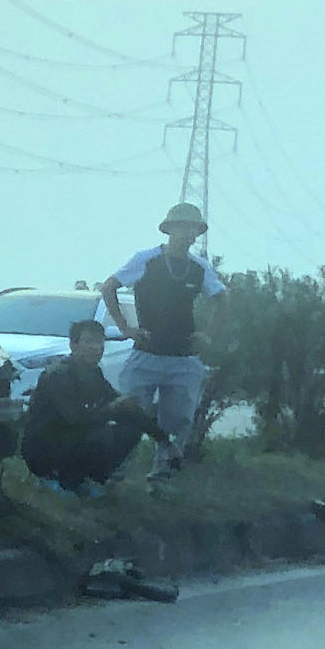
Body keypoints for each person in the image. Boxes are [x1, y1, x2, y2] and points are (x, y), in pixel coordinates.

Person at [99, 202, 228, 482]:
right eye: (181, 226)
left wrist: (208, 334)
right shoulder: (146, 260)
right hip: (146, 353)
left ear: (197, 232)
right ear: (169, 229)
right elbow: (109, 287)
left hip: (184, 358)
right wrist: (125, 328)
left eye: (192, 227)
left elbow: (221, 297)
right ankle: (113, 475)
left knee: (179, 420)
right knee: (130, 415)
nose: (187, 232)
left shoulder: (199, 267)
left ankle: (162, 477)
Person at [24, 320, 166, 493]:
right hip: (44, 446)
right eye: (89, 341)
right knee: (99, 434)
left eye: (99, 342)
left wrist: (162, 438)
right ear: (73, 345)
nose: (95, 347)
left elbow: (118, 402)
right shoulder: (58, 375)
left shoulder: (93, 372)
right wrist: (112, 408)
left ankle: (92, 480)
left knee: (129, 431)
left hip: (72, 437)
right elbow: (75, 418)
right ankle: (60, 479)